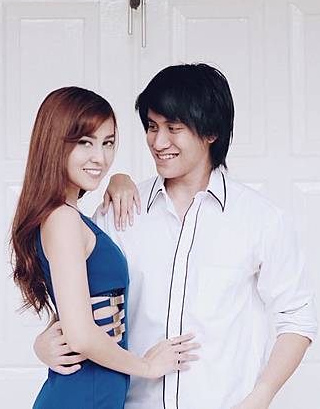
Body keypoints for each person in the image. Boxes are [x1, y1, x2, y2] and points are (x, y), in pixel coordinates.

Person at [34, 66, 318, 409]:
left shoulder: (261, 220)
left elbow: (297, 317)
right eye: (152, 127)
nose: (158, 142)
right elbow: (85, 302)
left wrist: (261, 395)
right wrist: (44, 342)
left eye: (173, 128)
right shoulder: (118, 212)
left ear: (210, 131)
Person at [11, 87, 201, 409]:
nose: (100, 158)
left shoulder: (70, 218)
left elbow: (81, 310)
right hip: (81, 396)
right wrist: (147, 366)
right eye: (85, 142)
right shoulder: (62, 220)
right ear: (54, 143)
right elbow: (81, 335)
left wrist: (120, 179)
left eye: (108, 143)